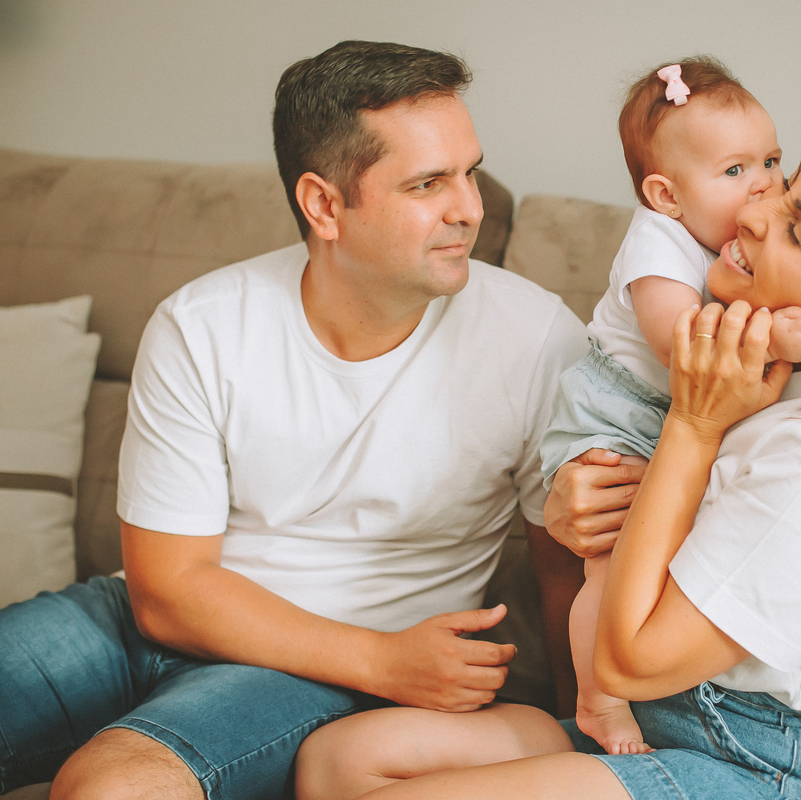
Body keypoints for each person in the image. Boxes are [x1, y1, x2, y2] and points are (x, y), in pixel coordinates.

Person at [295, 140, 801, 800]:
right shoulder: (779, 366)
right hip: (678, 719)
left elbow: (630, 662)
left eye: (796, 227)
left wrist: (693, 422)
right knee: (342, 761)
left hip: (782, 762)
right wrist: (582, 505)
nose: (755, 210)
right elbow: (691, 521)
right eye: (784, 185)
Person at [0, 40, 588, 800]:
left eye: (469, 172)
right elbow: (166, 591)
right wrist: (384, 662)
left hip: (325, 673)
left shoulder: (537, 338)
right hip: (150, 625)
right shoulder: (202, 325)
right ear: (323, 204)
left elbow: (562, 564)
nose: (469, 209)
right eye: (427, 183)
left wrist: (582, 731)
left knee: (113, 788)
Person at [539, 56, 801, 755]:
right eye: (734, 171)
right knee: (610, 570)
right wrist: (777, 336)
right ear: (666, 195)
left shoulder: (738, 240)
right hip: (614, 412)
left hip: (672, 417)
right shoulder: (657, 243)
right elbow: (685, 350)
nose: (764, 184)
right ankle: (597, 698)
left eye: (771, 159)